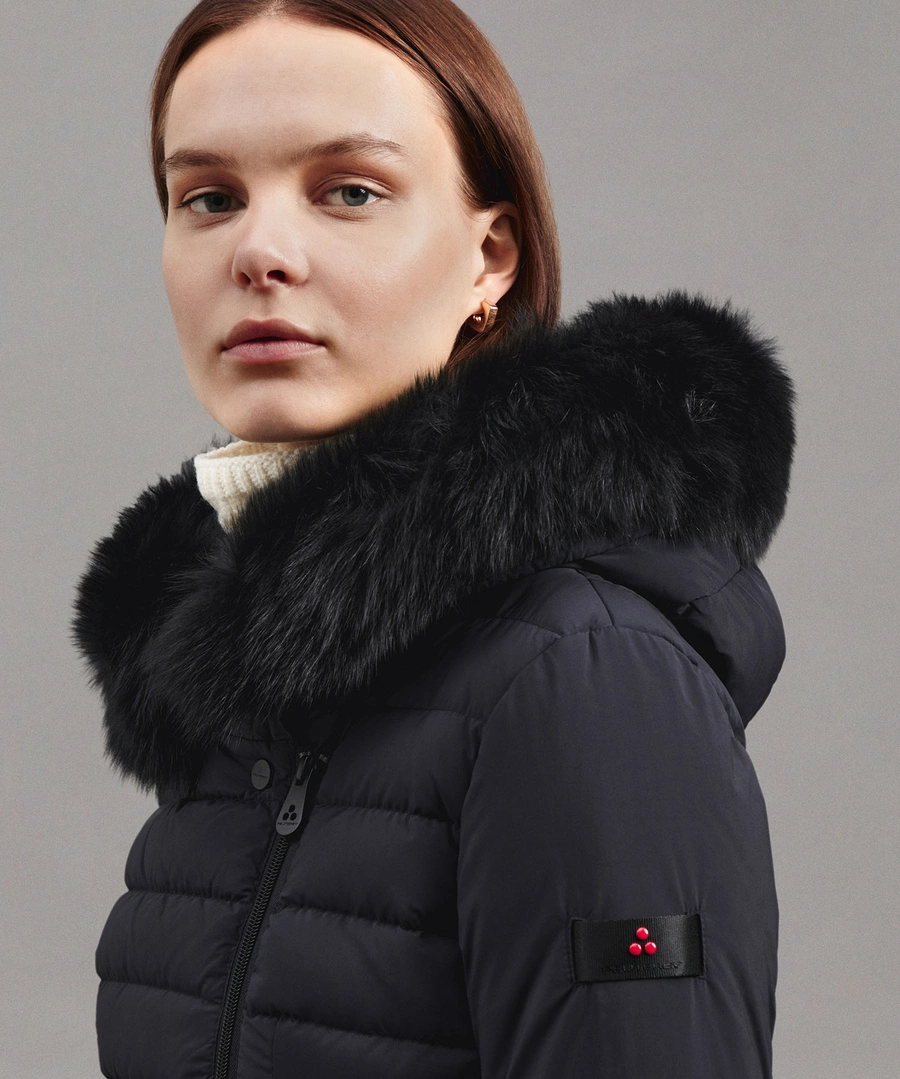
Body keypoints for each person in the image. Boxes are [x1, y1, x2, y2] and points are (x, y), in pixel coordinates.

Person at [71, 1, 796, 1076]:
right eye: (209, 197)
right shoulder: (234, 676)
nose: (259, 251)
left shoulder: (583, 669)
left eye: (350, 190)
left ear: (489, 258)